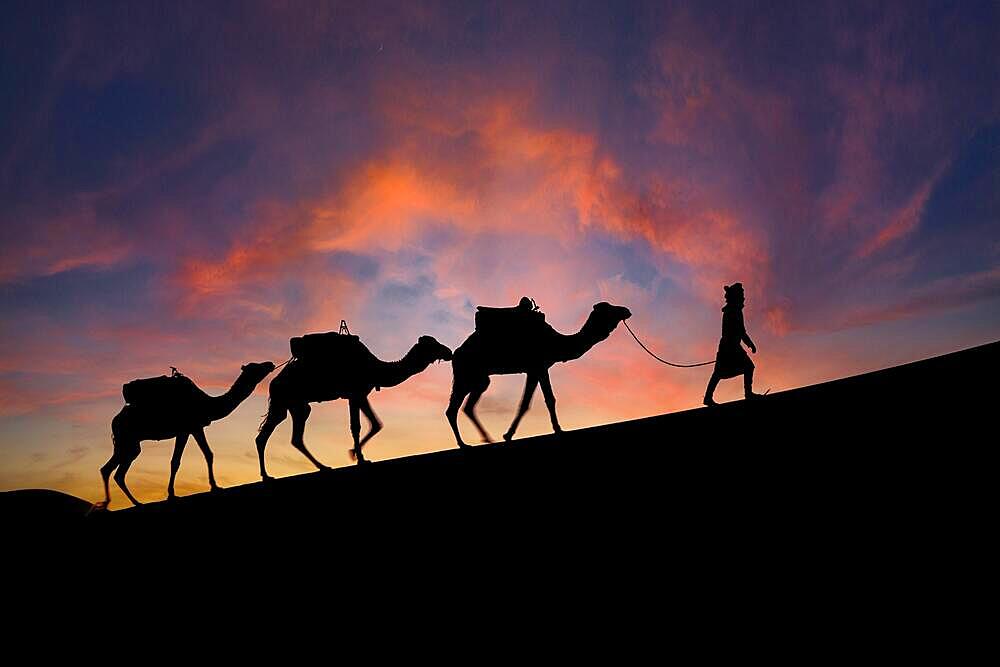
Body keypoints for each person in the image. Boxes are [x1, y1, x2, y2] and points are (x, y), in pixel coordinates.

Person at [704, 283, 762, 406]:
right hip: (729, 347)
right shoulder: (733, 311)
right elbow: (740, 331)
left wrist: (749, 343)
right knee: (742, 368)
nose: (743, 297)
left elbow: (741, 331)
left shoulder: (734, 310)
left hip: (731, 346)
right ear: (737, 296)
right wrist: (750, 343)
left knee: (720, 372)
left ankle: (709, 397)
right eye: (741, 294)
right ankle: (748, 394)